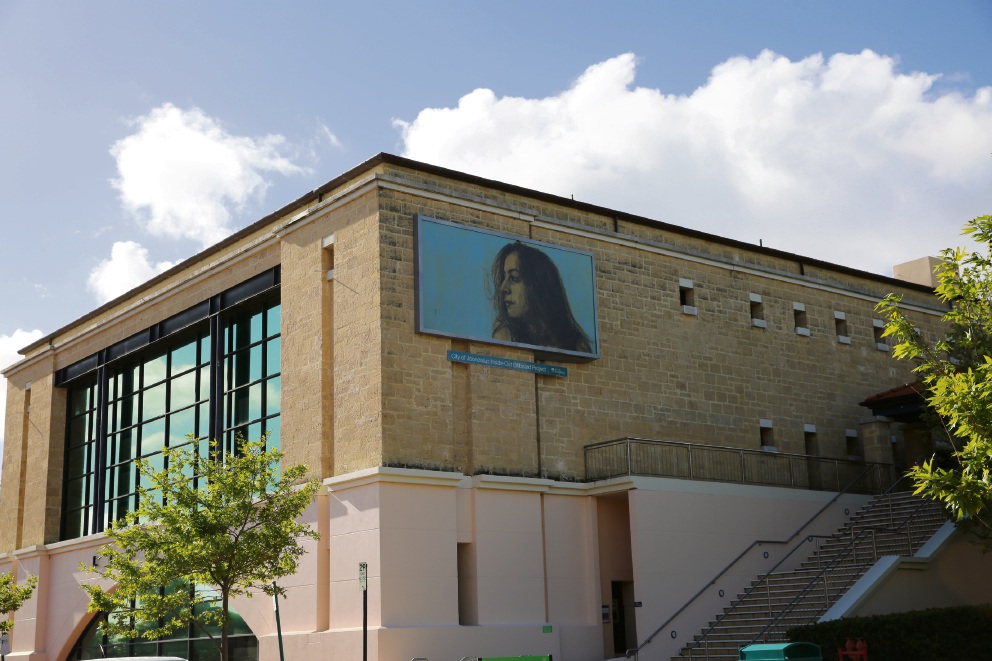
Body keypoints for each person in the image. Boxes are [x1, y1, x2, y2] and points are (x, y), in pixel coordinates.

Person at [489, 241, 592, 353]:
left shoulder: (577, 346)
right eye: (504, 277)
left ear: (538, 286)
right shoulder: (504, 333)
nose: (503, 287)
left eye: (514, 277)